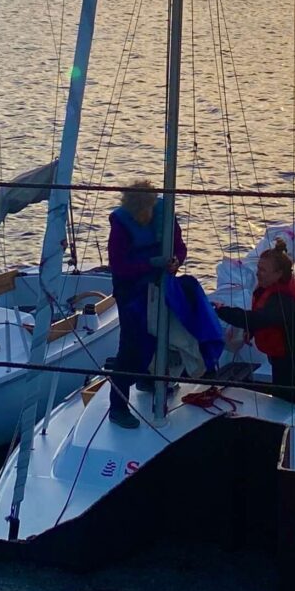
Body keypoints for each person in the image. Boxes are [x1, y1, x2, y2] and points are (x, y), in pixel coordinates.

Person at [216, 240, 295, 408]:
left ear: (278, 273)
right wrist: (252, 331)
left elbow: (257, 318)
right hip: (286, 358)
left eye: (263, 270)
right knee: (281, 400)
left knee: (292, 405)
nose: (257, 273)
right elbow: (261, 319)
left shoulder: (283, 300)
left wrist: (221, 311)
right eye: (258, 268)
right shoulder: (269, 287)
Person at [106, 181, 184, 426]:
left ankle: (148, 379)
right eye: (137, 213)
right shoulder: (121, 226)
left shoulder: (164, 215)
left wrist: (174, 261)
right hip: (130, 291)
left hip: (159, 287)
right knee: (130, 346)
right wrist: (151, 263)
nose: (142, 217)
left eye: (146, 211)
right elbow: (118, 266)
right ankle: (118, 407)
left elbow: (180, 247)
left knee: (159, 337)